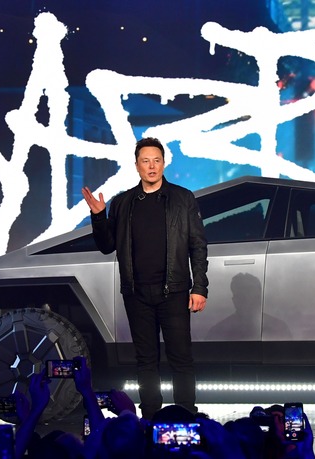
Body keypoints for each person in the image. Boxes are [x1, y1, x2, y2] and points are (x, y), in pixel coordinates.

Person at [83, 136, 209, 419]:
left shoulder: (182, 198)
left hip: (174, 291)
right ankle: (150, 417)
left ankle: (186, 415)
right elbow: (106, 246)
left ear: (163, 164)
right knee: (146, 360)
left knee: (181, 358)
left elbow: (198, 245)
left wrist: (199, 286)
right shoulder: (122, 202)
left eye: (156, 160)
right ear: (136, 165)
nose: (151, 166)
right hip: (136, 293)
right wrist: (99, 217)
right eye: (145, 161)